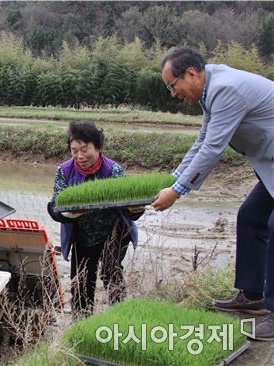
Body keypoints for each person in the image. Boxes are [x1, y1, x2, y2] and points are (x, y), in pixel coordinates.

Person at [152, 47, 274, 340]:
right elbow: (202, 140)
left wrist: (177, 191)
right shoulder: (211, 90)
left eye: (173, 85)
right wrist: (173, 179)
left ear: (191, 74)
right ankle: (253, 294)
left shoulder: (226, 89)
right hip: (270, 163)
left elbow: (212, 149)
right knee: (250, 216)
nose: (173, 94)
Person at [47, 121, 144, 315]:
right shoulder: (64, 171)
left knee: (111, 275)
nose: (80, 156)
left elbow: (130, 207)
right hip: (82, 235)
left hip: (113, 233)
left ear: (98, 147)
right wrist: (66, 214)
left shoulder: (113, 171)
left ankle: (120, 318)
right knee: (81, 281)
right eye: (74, 151)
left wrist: (135, 208)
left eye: (85, 150)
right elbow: (54, 206)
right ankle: (82, 324)